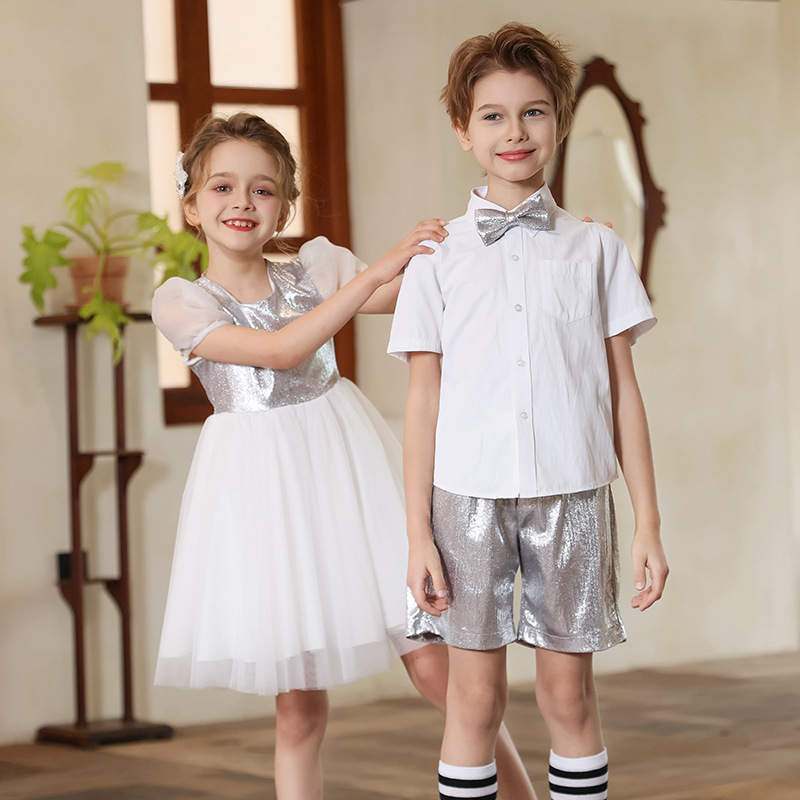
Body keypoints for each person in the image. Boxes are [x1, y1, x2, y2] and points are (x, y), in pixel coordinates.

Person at [152, 112, 538, 800]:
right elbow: (279, 351)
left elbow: (426, 294)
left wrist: (505, 241)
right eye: (222, 187)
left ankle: (520, 796)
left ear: (285, 206)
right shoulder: (181, 301)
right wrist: (374, 270)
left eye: (263, 190)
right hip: (262, 497)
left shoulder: (319, 267)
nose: (242, 202)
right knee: (299, 709)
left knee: (434, 668)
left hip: (348, 475)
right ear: (191, 206)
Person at [388, 23, 669, 800]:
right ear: (461, 129)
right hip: (465, 503)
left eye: (534, 112)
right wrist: (418, 532)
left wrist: (646, 519)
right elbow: (422, 400)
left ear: (561, 120)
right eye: (492, 114)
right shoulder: (435, 259)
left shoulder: (596, 250)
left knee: (567, 697)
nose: (515, 132)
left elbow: (624, 394)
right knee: (472, 701)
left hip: (574, 499)